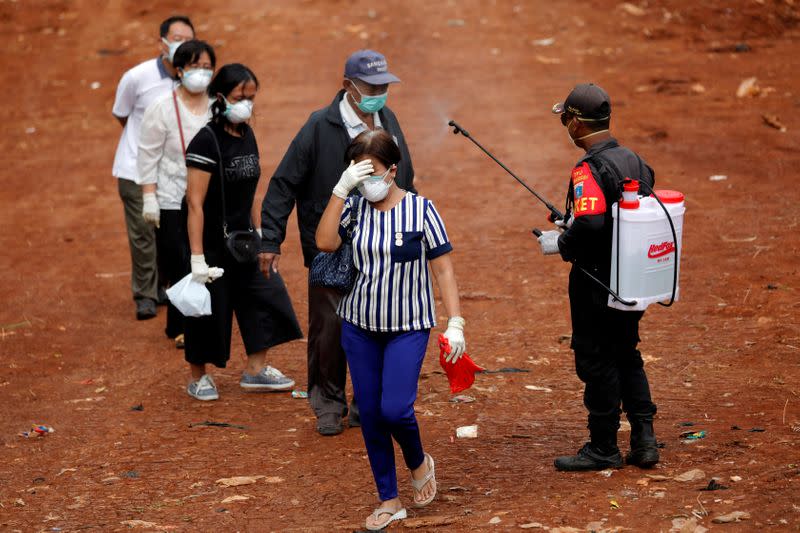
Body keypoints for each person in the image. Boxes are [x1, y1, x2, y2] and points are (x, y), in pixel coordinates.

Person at [316, 129, 466, 530]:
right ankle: (389, 498)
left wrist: (455, 322)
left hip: (407, 327)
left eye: (373, 172)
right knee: (371, 416)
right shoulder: (353, 207)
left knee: (395, 410)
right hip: (359, 326)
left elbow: (443, 268)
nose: (367, 181)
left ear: (393, 170)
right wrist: (340, 190)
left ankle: (418, 462)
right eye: (358, 172)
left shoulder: (421, 211)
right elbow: (325, 242)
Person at [260, 50, 417, 436]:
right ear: (348, 86)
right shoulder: (320, 126)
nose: (379, 93)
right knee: (329, 329)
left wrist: (410, 226)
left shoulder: (387, 121)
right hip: (330, 244)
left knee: (377, 322)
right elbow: (284, 182)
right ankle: (329, 405)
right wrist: (270, 238)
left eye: (384, 86)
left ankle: (367, 403)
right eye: (371, 87)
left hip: (379, 243)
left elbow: (405, 175)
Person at [538, 83, 659, 471]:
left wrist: (562, 242)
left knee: (596, 361)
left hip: (597, 281)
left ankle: (603, 446)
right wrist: (571, 222)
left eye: (564, 118)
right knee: (627, 354)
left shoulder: (587, 168)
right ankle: (644, 440)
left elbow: (591, 222)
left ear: (575, 122)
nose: (564, 125)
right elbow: (617, 217)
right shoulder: (635, 160)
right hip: (633, 278)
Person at [182, 64, 302, 401]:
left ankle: (255, 370)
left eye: (251, 97)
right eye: (240, 97)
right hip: (210, 241)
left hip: (245, 239)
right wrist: (196, 258)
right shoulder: (206, 142)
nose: (247, 103)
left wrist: (261, 232)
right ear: (220, 96)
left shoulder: (246, 134)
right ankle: (199, 377)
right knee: (208, 308)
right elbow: (195, 203)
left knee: (265, 294)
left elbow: (250, 191)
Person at [112, 15, 195, 320]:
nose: (182, 45)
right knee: (144, 233)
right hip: (135, 168)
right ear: (162, 43)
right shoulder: (137, 77)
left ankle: (163, 286)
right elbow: (122, 114)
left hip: (173, 174)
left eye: (189, 39)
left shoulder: (194, 78)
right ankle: (145, 295)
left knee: (169, 232)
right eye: (176, 38)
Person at [137, 40, 216, 349]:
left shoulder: (216, 106)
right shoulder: (162, 108)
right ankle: (181, 326)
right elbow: (148, 155)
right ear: (180, 70)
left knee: (207, 255)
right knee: (181, 260)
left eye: (208, 67)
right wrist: (149, 197)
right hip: (172, 198)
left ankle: (205, 317)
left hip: (209, 196)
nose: (202, 73)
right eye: (196, 67)